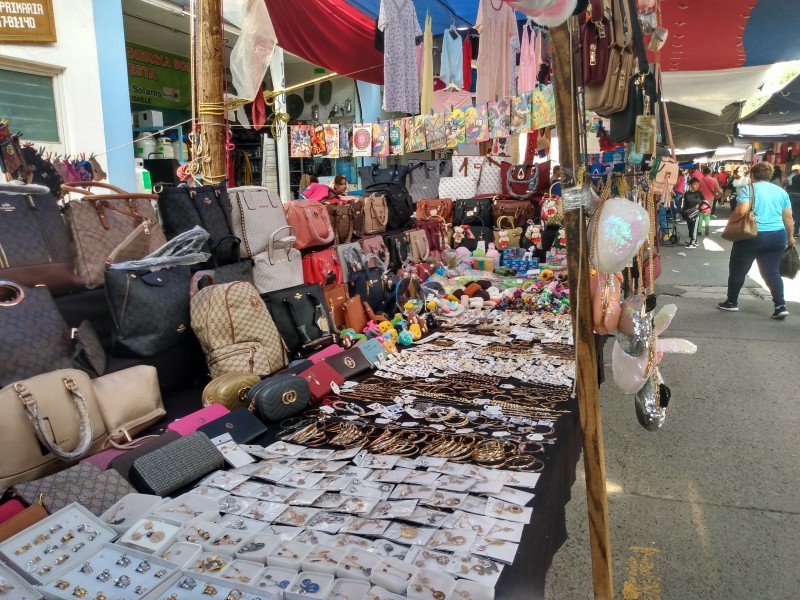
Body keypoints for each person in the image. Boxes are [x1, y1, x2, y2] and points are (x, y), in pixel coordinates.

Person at [718, 161, 795, 319]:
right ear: (769, 175)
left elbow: (741, 210)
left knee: (738, 269)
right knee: (772, 271)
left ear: (752, 175)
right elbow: (788, 217)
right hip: (777, 236)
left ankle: (732, 302)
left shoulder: (749, 188)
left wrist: (731, 223)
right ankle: (780, 305)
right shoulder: (781, 192)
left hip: (752, 236)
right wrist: (790, 237)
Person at [681, 178, 704, 248]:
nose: (697, 185)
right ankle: (695, 241)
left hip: (696, 213)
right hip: (688, 213)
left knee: (694, 227)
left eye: (697, 184)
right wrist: (683, 213)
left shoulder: (699, 193)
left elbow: (703, 201)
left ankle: (692, 243)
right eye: (695, 184)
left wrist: (699, 205)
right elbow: (684, 204)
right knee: (690, 227)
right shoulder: (687, 194)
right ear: (691, 185)